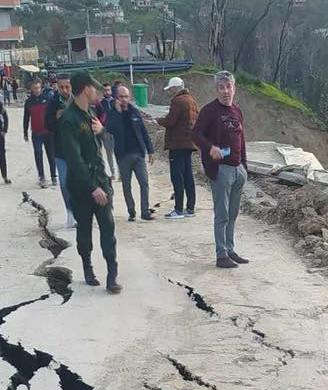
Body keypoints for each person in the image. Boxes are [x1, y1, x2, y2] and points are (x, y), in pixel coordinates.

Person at [58, 72, 122, 293]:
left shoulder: (91, 113)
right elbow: (74, 160)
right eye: (93, 88)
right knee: (84, 231)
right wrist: (92, 187)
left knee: (108, 228)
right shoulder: (68, 119)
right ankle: (87, 267)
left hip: (100, 179)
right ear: (86, 89)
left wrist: (102, 131)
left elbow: (100, 146)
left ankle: (112, 275)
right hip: (81, 186)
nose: (96, 91)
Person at [193, 70, 249, 268]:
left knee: (233, 213)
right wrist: (211, 148)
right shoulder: (209, 111)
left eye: (229, 87)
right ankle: (221, 254)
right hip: (221, 169)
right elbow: (196, 135)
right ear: (217, 89)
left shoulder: (237, 111)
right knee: (222, 213)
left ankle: (230, 248)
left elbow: (241, 139)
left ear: (234, 88)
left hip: (237, 168)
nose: (226, 91)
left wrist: (245, 166)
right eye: (221, 87)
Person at [105, 84, 155, 222]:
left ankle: (145, 211)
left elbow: (144, 132)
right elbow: (109, 129)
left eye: (126, 96)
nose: (124, 99)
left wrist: (150, 150)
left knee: (144, 183)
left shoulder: (135, 111)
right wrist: (117, 113)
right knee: (126, 185)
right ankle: (131, 211)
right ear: (116, 98)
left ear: (130, 97)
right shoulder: (112, 114)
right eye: (121, 97)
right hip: (123, 156)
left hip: (138, 154)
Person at [157, 76, 199, 219]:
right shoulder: (192, 100)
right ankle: (190, 208)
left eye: (171, 89)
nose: (170, 92)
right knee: (188, 177)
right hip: (189, 144)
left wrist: (157, 120)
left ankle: (178, 209)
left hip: (177, 144)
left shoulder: (177, 101)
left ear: (175, 88)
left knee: (177, 177)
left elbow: (170, 121)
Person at [45, 73, 76, 228]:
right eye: (62, 87)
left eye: (67, 86)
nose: (65, 90)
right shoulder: (52, 103)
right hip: (60, 151)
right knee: (64, 183)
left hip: (78, 150)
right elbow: (48, 125)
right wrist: (57, 117)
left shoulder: (78, 100)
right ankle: (70, 213)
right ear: (57, 86)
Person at [23, 79, 56, 188]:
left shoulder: (48, 99)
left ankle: (53, 176)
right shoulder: (29, 102)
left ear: (41, 87)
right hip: (36, 133)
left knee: (51, 154)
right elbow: (26, 118)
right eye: (34, 88)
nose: (37, 90)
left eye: (38, 88)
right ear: (31, 89)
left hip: (48, 132)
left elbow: (53, 114)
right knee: (38, 154)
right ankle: (41, 177)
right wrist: (25, 132)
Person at [95, 82, 117, 178]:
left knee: (118, 151)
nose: (107, 92)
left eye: (108, 90)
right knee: (109, 153)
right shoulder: (100, 104)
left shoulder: (116, 102)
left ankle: (121, 173)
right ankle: (113, 172)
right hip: (105, 130)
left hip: (116, 130)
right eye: (105, 90)